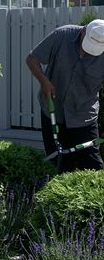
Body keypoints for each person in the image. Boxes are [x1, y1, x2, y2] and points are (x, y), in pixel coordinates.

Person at [25, 19, 104, 172]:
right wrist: (44, 82)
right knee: (57, 162)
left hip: (84, 116)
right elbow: (31, 59)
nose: (86, 51)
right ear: (83, 31)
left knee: (92, 165)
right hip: (53, 110)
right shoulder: (62, 35)